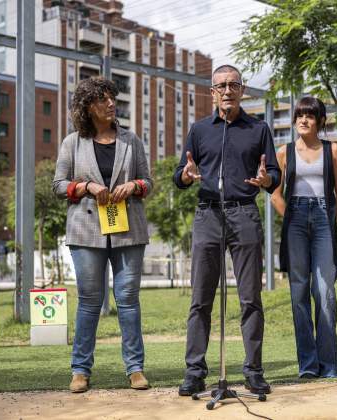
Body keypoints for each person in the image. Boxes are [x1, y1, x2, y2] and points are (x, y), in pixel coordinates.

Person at [173, 64, 281, 396]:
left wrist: (267, 181)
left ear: (242, 89)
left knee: (251, 297)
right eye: (221, 85)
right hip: (208, 215)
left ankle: (253, 370)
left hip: (244, 214)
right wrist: (186, 176)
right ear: (212, 92)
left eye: (233, 84)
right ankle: (195, 371)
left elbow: (275, 174)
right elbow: (179, 176)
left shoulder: (259, 129)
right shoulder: (200, 129)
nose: (227, 90)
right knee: (200, 298)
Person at [52, 76, 153, 393]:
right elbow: (58, 186)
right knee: (89, 302)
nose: (111, 104)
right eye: (103, 99)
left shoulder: (131, 140)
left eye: (113, 98)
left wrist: (134, 186)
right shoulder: (72, 143)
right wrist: (86, 187)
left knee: (128, 300)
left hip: (128, 231)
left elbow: (147, 182)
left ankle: (135, 368)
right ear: (87, 107)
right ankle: (80, 370)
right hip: (85, 232)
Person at [271, 96, 337, 378]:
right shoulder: (284, 151)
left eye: (310, 116)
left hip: (324, 217)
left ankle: (328, 365)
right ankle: (308, 365)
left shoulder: (334, 150)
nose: (303, 120)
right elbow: (274, 194)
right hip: (296, 219)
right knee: (299, 291)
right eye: (299, 115)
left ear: (320, 121)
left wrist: (330, 218)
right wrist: (290, 216)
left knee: (324, 291)